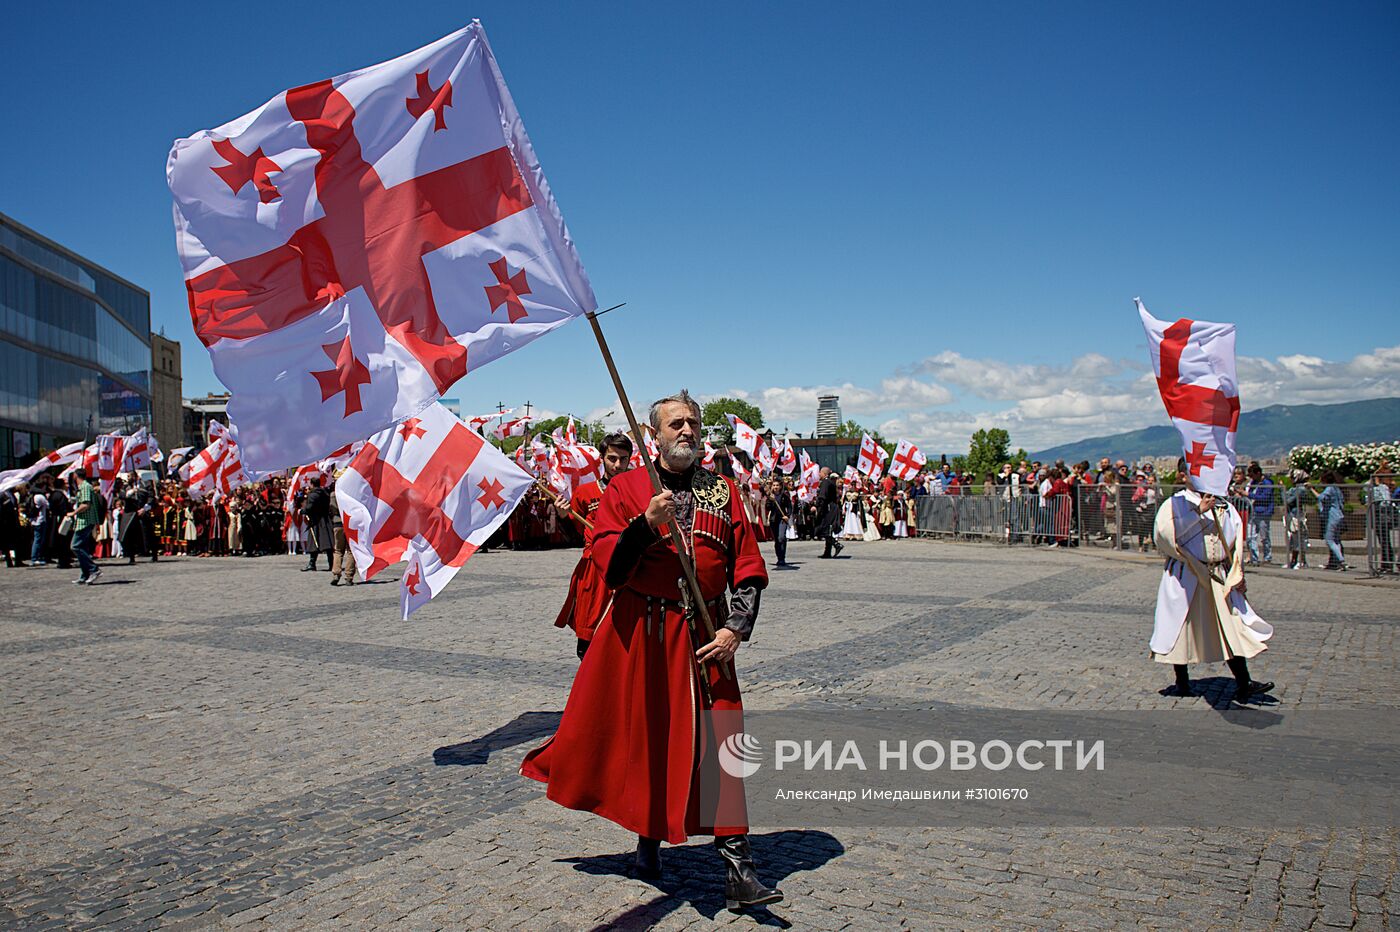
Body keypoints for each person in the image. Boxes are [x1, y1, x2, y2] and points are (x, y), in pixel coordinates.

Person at [522, 390, 782, 911]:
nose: (687, 431)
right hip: (645, 631)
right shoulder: (627, 488)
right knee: (651, 738)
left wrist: (736, 627)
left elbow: (749, 568)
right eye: (676, 424)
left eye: (693, 423)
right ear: (654, 435)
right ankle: (647, 839)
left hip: (708, 633)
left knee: (724, 737)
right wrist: (645, 525)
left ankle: (738, 866)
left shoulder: (724, 491)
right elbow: (609, 565)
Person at [1151, 483, 1275, 703]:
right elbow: (1165, 536)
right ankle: (1182, 681)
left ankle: (1243, 682)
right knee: (1181, 627)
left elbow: (1235, 541)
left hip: (1218, 573)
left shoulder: (1224, 505)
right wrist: (1198, 511)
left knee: (1230, 626)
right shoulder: (1175, 504)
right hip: (1186, 573)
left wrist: (1237, 574)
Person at [553, 432, 634, 659]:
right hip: (594, 574)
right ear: (602, 458)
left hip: (630, 572)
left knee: (627, 640)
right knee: (589, 644)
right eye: (612, 458)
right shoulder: (585, 493)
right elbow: (572, 537)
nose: (618, 465)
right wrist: (562, 516)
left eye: (623, 459)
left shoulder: (638, 492)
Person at [70, 469, 104, 584]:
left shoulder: (84, 486)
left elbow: (86, 504)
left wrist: (73, 513)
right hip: (85, 520)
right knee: (82, 547)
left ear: (75, 475)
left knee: (75, 546)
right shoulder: (85, 487)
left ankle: (93, 569)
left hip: (85, 521)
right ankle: (85, 574)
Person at [1244, 463, 1275, 566]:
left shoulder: (1267, 483)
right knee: (1250, 536)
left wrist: (1249, 495)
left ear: (1258, 473)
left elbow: (1264, 497)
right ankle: (1254, 557)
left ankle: (1267, 557)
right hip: (1253, 512)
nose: (1252, 478)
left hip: (1263, 512)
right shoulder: (1253, 483)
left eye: (1252, 475)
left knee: (1264, 536)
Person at [301, 476, 334, 571]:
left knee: (314, 542)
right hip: (325, 519)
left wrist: (303, 511)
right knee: (327, 543)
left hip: (316, 520)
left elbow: (310, 507)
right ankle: (331, 564)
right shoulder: (325, 493)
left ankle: (312, 563)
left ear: (312, 484)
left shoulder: (313, 495)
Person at [1317, 471, 1348, 570]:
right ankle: (1338, 561)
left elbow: (1321, 497)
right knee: (1336, 540)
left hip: (1332, 516)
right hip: (1339, 515)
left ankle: (1341, 561)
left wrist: (1312, 489)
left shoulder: (1330, 488)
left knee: (1329, 539)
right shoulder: (1337, 488)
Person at [813, 467, 843, 558]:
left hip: (828, 508)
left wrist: (817, 506)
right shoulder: (830, 482)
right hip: (832, 507)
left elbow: (823, 497)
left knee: (824, 528)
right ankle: (827, 552)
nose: (819, 474)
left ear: (824, 474)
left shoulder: (825, 482)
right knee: (827, 529)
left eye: (820, 473)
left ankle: (836, 544)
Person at [329, 496, 357, 587]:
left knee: (338, 550)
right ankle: (349, 576)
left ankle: (336, 574)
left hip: (338, 523)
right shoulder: (351, 492)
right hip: (350, 522)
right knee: (351, 551)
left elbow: (332, 509)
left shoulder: (334, 494)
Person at [764, 477, 792, 566]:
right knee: (777, 540)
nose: (775, 487)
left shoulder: (784, 495)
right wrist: (770, 500)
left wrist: (787, 515)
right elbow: (767, 508)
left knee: (781, 537)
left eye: (777, 485)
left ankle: (782, 557)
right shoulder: (771, 496)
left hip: (782, 519)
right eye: (774, 485)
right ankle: (779, 557)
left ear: (780, 486)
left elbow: (790, 506)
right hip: (773, 519)